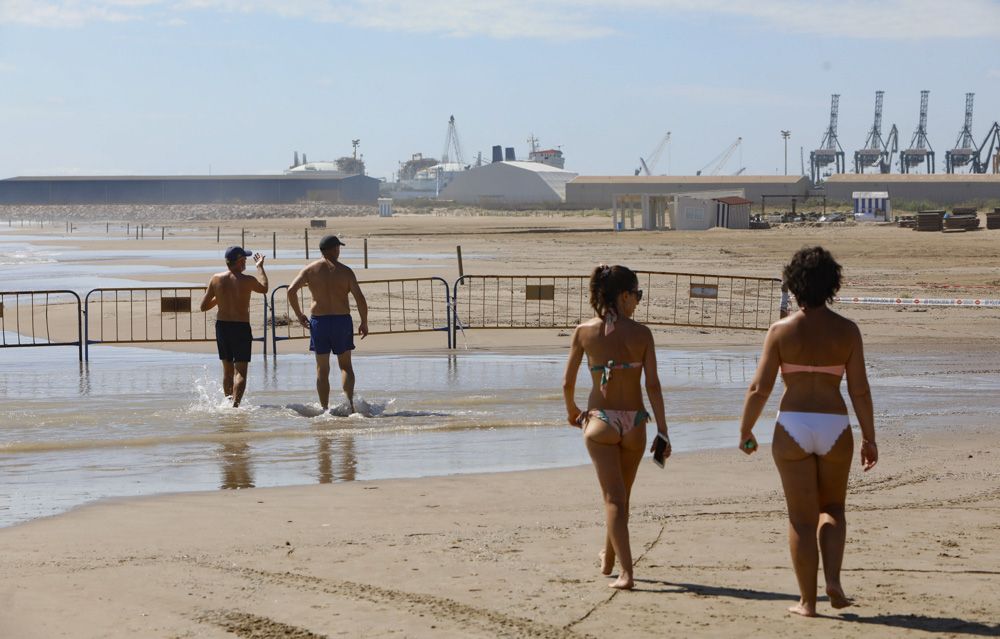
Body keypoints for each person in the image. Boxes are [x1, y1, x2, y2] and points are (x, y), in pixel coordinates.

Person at [739, 246, 877, 617]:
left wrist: (746, 429)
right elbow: (859, 389)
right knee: (832, 508)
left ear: (795, 284)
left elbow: (759, 388)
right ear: (832, 285)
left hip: (793, 425)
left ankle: (807, 602)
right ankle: (833, 580)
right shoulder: (847, 331)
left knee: (800, 518)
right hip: (834, 424)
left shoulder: (780, 331)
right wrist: (869, 436)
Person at [563, 264, 669, 590]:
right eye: (637, 294)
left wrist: (574, 413)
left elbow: (567, 383)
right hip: (636, 423)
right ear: (624, 296)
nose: (638, 301)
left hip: (602, 422)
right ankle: (609, 561)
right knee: (622, 499)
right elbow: (653, 386)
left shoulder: (584, 332)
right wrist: (663, 431)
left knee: (614, 500)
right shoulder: (642, 334)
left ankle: (624, 572)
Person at [287, 234, 369, 413]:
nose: (339, 251)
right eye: (338, 248)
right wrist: (364, 321)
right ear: (333, 249)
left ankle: (325, 409)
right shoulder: (346, 271)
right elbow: (360, 299)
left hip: (320, 322)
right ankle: (350, 405)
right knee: (345, 366)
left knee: (322, 368)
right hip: (341, 320)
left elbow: (291, 290)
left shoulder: (310, 270)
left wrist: (299, 314)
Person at [199, 246, 268, 407]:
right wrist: (260, 267)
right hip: (240, 327)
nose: (245, 262)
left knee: (227, 370)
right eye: (244, 259)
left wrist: (221, 297)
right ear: (238, 261)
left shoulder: (216, 279)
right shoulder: (248, 280)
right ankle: (235, 407)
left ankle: (227, 403)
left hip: (222, 327)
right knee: (241, 372)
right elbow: (264, 288)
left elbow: (203, 306)